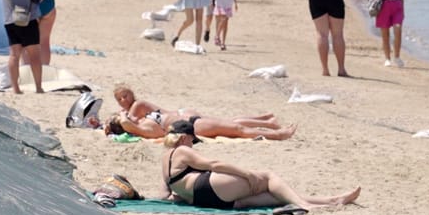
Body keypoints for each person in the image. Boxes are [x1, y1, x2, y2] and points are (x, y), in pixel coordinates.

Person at [159, 120, 358, 212]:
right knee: (267, 177)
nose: (192, 144)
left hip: (203, 200)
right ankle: (304, 205)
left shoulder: (165, 158)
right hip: (207, 187)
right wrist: (247, 174)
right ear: (184, 137)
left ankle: (332, 201)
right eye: (192, 140)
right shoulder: (182, 150)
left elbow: (168, 192)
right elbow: (214, 164)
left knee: (275, 196)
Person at [109, 86, 295, 140]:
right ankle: (272, 128)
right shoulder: (142, 126)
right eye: (120, 99)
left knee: (233, 126)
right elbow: (127, 123)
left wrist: (117, 118)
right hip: (190, 123)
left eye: (125, 96)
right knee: (234, 126)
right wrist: (116, 121)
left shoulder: (138, 110)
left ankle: (273, 128)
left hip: (188, 119)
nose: (123, 101)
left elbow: (127, 120)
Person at [0, 0, 52, 95]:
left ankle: (16, 88)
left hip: (9, 19)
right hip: (26, 19)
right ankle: (38, 87)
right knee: (34, 53)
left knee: (14, 55)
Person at [369, 0, 405, 67]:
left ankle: (397, 57)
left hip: (397, 7)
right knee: (385, 34)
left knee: (398, 30)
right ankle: (387, 58)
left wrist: (403, 9)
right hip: (384, 6)